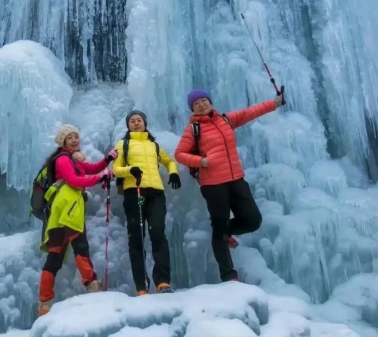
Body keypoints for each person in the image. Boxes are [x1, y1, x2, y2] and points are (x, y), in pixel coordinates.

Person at [175, 89, 283, 283]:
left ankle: (227, 231)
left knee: (253, 220)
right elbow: (180, 154)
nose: (201, 104)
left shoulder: (225, 120)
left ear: (210, 102)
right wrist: (202, 162)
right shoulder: (193, 129)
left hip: (236, 179)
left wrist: (274, 104)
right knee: (218, 227)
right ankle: (229, 276)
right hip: (213, 184)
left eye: (204, 100)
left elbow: (250, 112)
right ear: (192, 108)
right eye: (196, 103)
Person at [38, 125, 117, 317]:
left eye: (76, 137)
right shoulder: (64, 160)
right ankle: (92, 284)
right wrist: (100, 178)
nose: (74, 140)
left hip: (61, 213)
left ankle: (44, 304)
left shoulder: (73, 160)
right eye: (69, 137)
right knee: (81, 246)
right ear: (62, 142)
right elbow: (73, 181)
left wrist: (107, 161)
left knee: (55, 256)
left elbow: (91, 168)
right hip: (68, 209)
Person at [111, 110, 181, 295]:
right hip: (134, 192)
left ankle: (163, 281)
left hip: (156, 192)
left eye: (139, 120)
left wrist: (173, 171)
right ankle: (141, 286)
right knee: (136, 238)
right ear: (128, 125)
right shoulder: (123, 144)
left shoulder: (154, 146)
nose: (136, 123)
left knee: (158, 233)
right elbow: (115, 169)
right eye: (132, 121)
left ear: (145, 123)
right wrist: (130, 170)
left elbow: (169, 161)